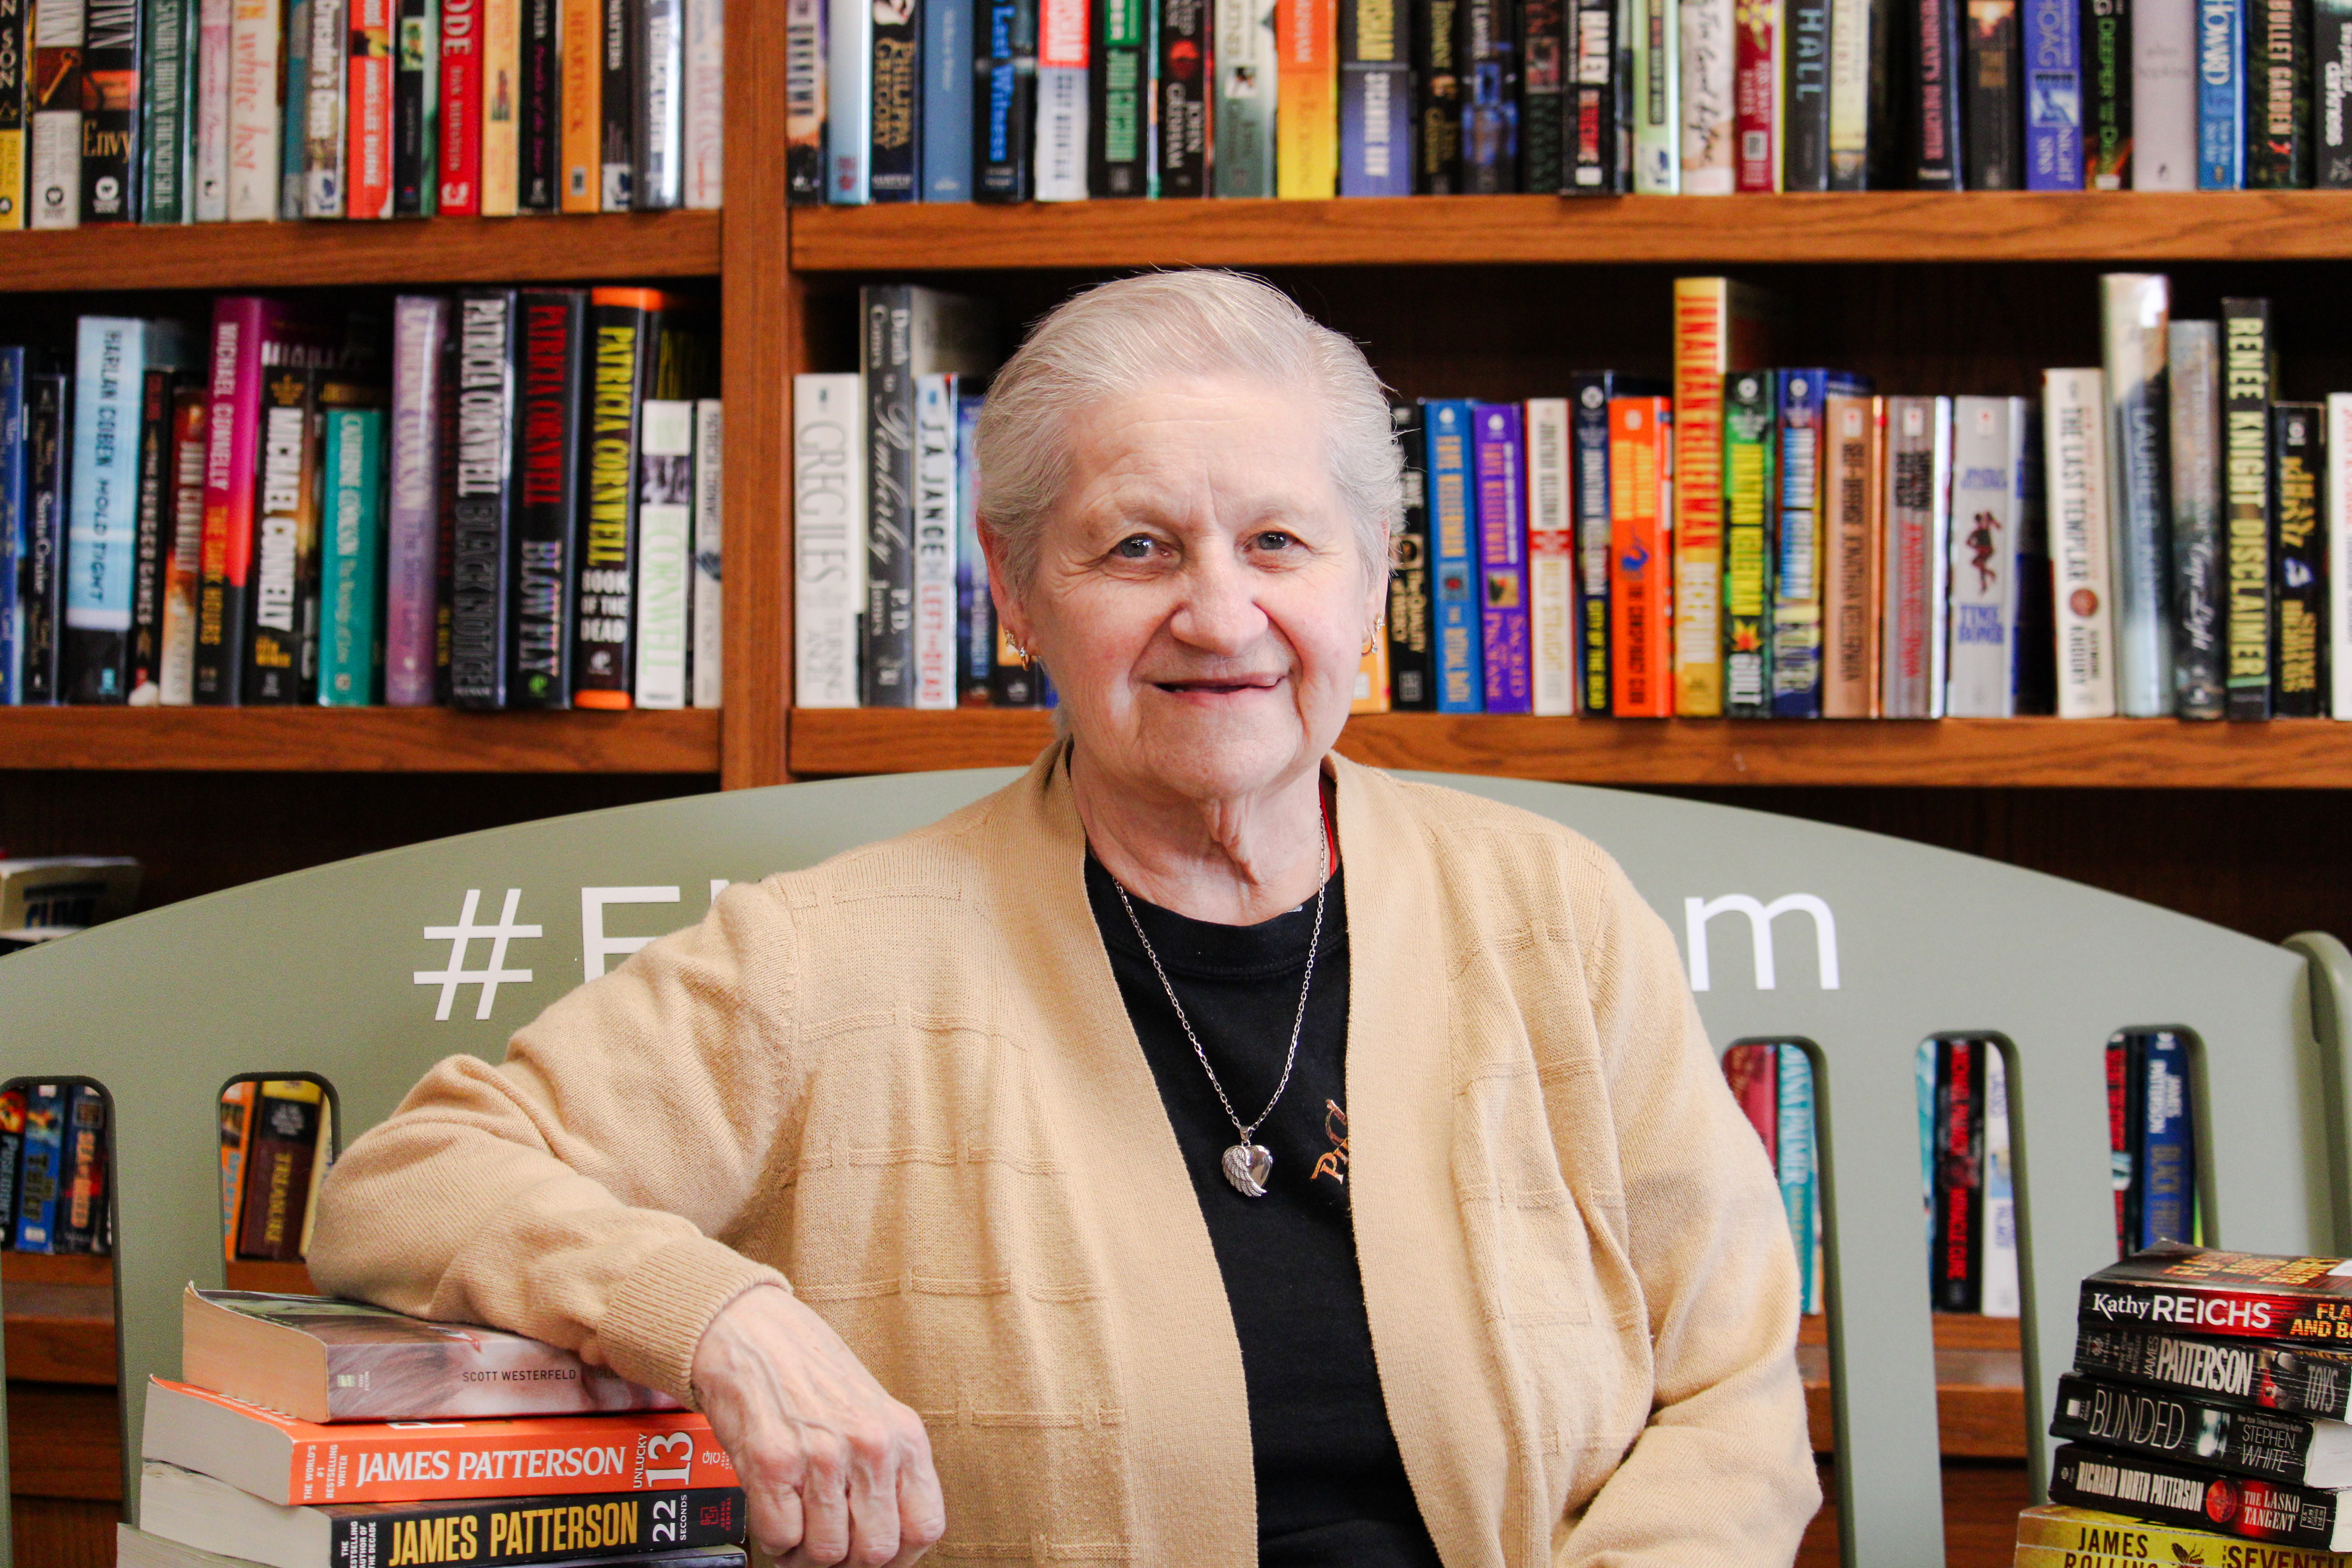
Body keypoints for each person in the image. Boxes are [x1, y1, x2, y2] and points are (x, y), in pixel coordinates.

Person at [309, 270, 1819, 1568]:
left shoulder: (1554, 915)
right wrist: (715, 1319)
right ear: (1017, 593)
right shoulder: (828, 956)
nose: (1219, 616)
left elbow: (1732, 1395)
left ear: (1374, 583)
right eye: (1137, 547)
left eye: (1279, 544)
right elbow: (408, 1182)